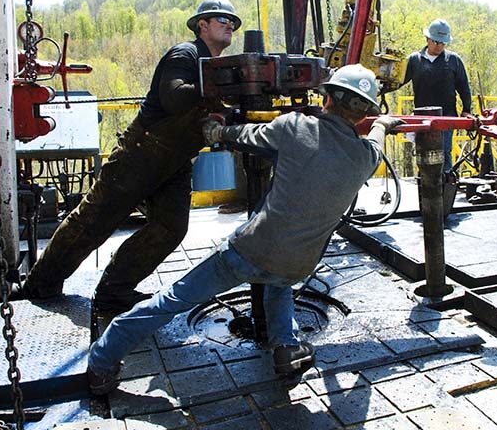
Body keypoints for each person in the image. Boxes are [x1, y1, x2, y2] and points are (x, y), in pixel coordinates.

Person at [86, 64, 404, 395]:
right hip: (298, 265)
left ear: (326, 99)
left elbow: (245, 136)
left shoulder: (295, 126)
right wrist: (382, 124)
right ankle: (286, 349)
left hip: (249, 251)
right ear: (365, 111)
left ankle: (101, 361)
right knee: (278, 281)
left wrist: (216, 131)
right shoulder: (366, 157)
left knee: (173, 299)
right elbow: (377, 142)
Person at [22, 0, 242, 312]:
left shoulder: (215, 68)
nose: (230, 26)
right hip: (140, 154)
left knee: (170, 228)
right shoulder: (186, 54)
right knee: (93, 223)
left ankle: (114, 290)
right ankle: (39, 287)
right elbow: (174, 98)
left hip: (175, 162)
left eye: (233, 22)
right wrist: (221, 88)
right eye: (223, 20)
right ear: (202, 26)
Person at [403, 18, 472, 172]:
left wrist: (467, 109)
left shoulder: (453, 60)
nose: (439, 46)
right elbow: (399, 80)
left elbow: (464, 86)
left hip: (446, 117)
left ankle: (445, 186)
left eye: (443, 43)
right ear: (427, 39)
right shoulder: (415, 60)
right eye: (436, 42)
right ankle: (426, 186)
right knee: (424, 154)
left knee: (444, 154)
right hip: (422, 118)